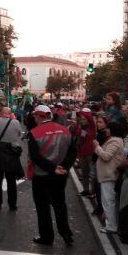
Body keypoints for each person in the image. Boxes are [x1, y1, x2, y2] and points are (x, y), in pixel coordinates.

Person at [27, 104, 77, 246]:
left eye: (35, 116)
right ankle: (66, 233)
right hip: (61, 174)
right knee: (60, 203)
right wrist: (64, 167)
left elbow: (35, 157)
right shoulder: (65, 130)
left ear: (39, 116)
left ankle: (47, 237)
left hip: (42, 175)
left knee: (43, 206)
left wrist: (52, 168)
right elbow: (73, 151)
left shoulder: (35, 133)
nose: (34, 118)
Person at [0, 106, 24, 210]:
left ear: (1, 113)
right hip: (11, 154)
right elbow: (19, 134)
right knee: (11, 181)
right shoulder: (16, 122)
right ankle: (12, 205)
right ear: (10, 114)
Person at [93, 121, 126, 234]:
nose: (105, 130)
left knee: (108, 201)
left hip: (109, 174)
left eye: (107, 128)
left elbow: (106, 156)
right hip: (109, 174)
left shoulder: (115, 141)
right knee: (110, 201)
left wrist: (97, 147)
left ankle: (111, 225)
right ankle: (112, 223)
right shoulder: (115, 140)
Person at [71, 108, 96, 196]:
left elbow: (80, 134)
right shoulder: (80, 127)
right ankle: (86, 190)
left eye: (84, 119)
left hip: (90, 154)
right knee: (84, 173)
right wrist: (74, 112)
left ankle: (93, 192)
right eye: (81, 119)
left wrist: (76, 124)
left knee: (92, 174)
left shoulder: (92, 127)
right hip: (82, 153)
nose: (82, 120)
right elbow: (75, 132)